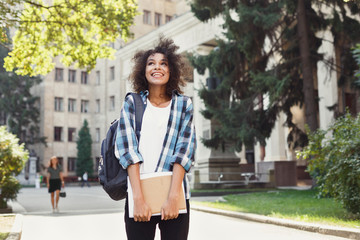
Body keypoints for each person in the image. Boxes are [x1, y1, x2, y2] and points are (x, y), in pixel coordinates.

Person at [115, 37, 196, 240]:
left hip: (175, 196)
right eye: (151, 63)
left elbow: (184, 152)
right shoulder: (132, 103)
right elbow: (127, 151)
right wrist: (139, 198)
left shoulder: (183, 105)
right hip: (140, 196)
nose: (157, 67)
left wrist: (172, 197)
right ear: (143, 70)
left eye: (163, 64)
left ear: (171, 71)